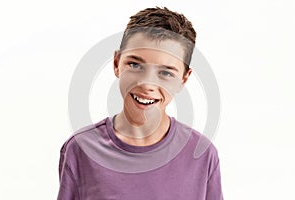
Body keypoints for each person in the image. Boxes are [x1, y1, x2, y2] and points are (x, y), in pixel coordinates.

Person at [57, 7, 223, 200]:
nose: (147, 84)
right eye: (135, 65)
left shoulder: (202, 154)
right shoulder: (81, 148)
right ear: (116, 63)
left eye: (166, 73)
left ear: (183, 80)